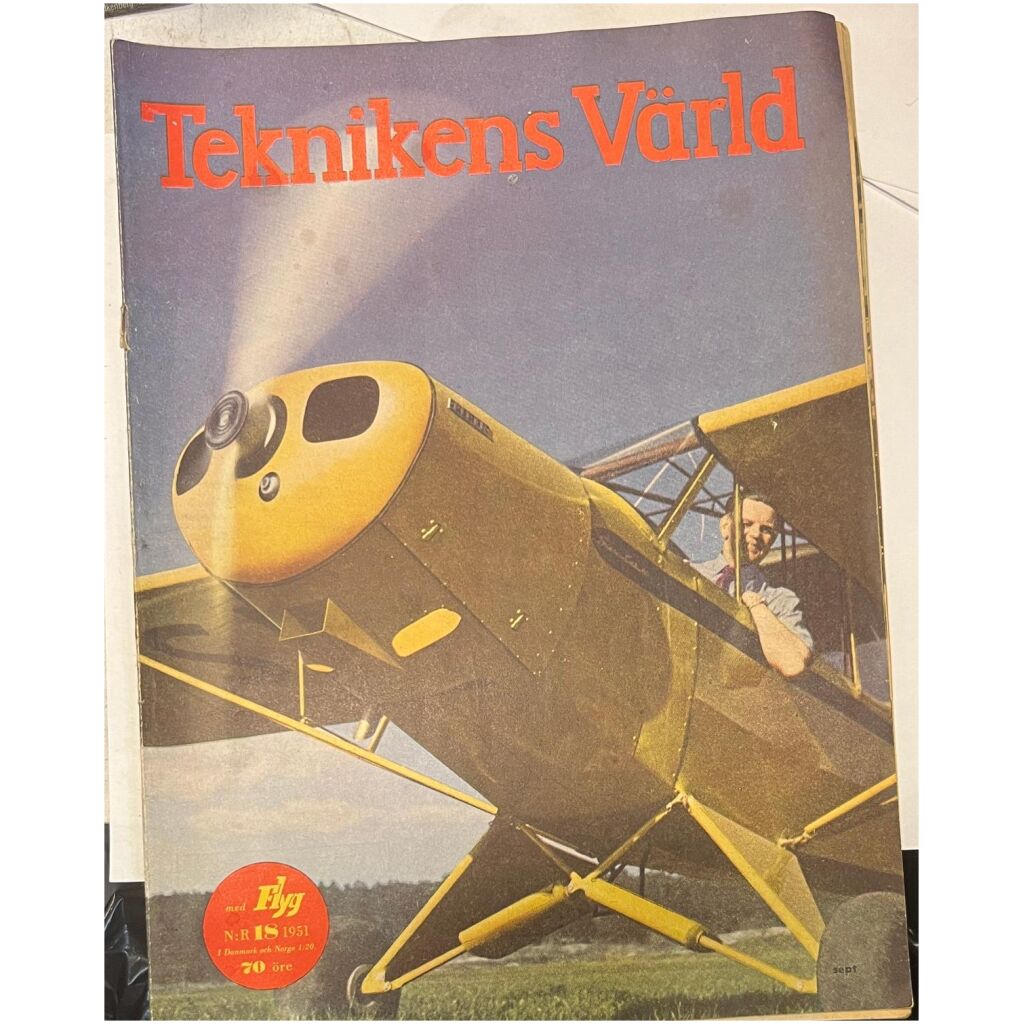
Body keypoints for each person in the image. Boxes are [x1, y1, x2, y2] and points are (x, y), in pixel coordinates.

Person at [692, 492, 813, 678]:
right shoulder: (691, 572)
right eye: (747, 524)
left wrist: (755, 604)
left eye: (766, 530)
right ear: (725, 526)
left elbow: (793, 664)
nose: (756, 534)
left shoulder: (779, 600)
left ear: (773, 540)